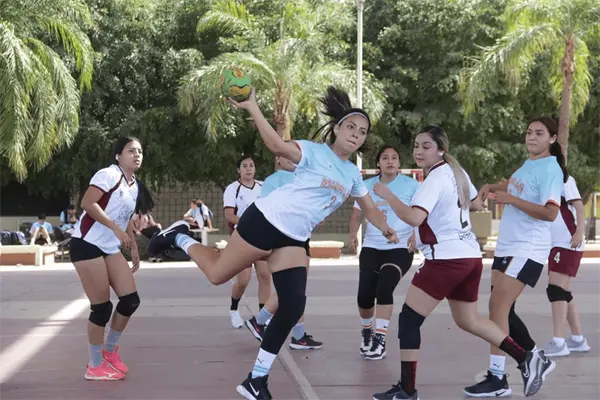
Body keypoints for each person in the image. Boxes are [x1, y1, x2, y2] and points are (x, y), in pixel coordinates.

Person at [148, 86, 397, 400]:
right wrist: (253, 107)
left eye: (362, 132)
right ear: (336, 128)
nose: (356, 134)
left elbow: (369, 208)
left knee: (292, 306)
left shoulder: (352, 174)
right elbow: (277, 145)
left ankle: (256, 379)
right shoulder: (313, 151)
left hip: (293, 238)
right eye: (351, 127)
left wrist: (386, 229)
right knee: (217, 274)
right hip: (266, 220)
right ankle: (179, 236)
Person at [373, 125, 551, 400]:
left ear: (441, 150)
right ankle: (527, 358)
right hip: (469, 257)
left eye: (426, 146)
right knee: (468, 319)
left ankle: (407, 390)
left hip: (446, 260)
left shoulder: (434, 179)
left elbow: (414, 217)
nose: (419, 151)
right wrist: (426, 232)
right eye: (417, 145)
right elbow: (475, 205)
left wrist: (388, 195)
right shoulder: (456, 172)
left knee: (409, 319)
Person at [463, 117, 562, 397]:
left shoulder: (551, 168)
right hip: (508, 245)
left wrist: (512, 200)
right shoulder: (529, 164)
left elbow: (551, 213)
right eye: (529, 132)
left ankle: (498, 378)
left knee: (497, 308)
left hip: (528, 247)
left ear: (552, 139)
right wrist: (493, 187)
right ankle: (536, 358)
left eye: (539, 133)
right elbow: (515, 185)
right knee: (503, 310)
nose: (532, 137)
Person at [70, 136, 154, 381]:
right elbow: (88, 203)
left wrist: (133, 247)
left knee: (130, 301)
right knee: (102, 308)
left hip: (109, 246)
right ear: (118, 155)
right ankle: (95, 365)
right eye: (131, 150)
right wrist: (115, 229)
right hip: (87, 244)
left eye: (140, 151)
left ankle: (109, 351)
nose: (137, 155)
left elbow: (125, 217)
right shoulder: (108, 174)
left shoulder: (134, 185)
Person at [245, 153, 324, 350]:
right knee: (292, 288)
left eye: (294, 156)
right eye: (285, 155)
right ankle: (260, 322)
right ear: (278, 160)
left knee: (297, 289)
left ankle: (297, 334)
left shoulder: (304, 177)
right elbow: (268, 208)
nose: (291, 159)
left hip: (301, 235)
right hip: (285, 237)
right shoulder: (274, 181)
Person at [348, 145, 419, 360]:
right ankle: (367, 331)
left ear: (399, 163)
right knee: (364, 295)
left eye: (394, 157)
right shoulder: (367, 185)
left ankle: (379, 340)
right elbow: (357, 214)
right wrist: (352, 235)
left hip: (400, 247)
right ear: (378, 163)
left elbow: (421, 214)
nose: (390, 161)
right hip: (372, 246)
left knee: (385, 288)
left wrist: (416, 235)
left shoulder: (412, 185)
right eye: (385, 157)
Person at [541, 174, 591, 356]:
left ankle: (559, 342)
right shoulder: (543, 179)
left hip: (568, 242)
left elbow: (579, 206)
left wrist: (579, 232)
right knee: (562, 292)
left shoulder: (564, 179)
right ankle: (578, 340)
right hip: (557, 243)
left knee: (556, 290)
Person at [223, 155, 271, 329]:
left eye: (251, 165)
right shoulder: (232, 189)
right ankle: (234, 309)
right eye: (245, 166)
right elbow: (230, 215)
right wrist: (248, 223)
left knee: (265, 276)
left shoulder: (264, 187)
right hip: (242, 237)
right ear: (239, 170)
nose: (249, 168)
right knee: (243, 280)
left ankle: (263, 316)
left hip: (262, 236)